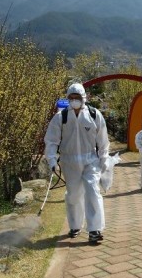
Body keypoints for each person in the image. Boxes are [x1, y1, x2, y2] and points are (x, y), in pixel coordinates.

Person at [44, 83, 109, 243]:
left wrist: (104, 158)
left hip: (90, 160)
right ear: (68, 98)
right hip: (69, 161)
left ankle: (95, 229)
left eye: (77, 97)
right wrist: (52, 160)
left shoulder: (94, 115)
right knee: (73, 195)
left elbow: (103, 139)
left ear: (83, 98)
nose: (74, 100)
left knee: (93, 192)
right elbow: (51, 140)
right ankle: (75, 224)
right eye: (71, 98)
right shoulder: (61, 117)